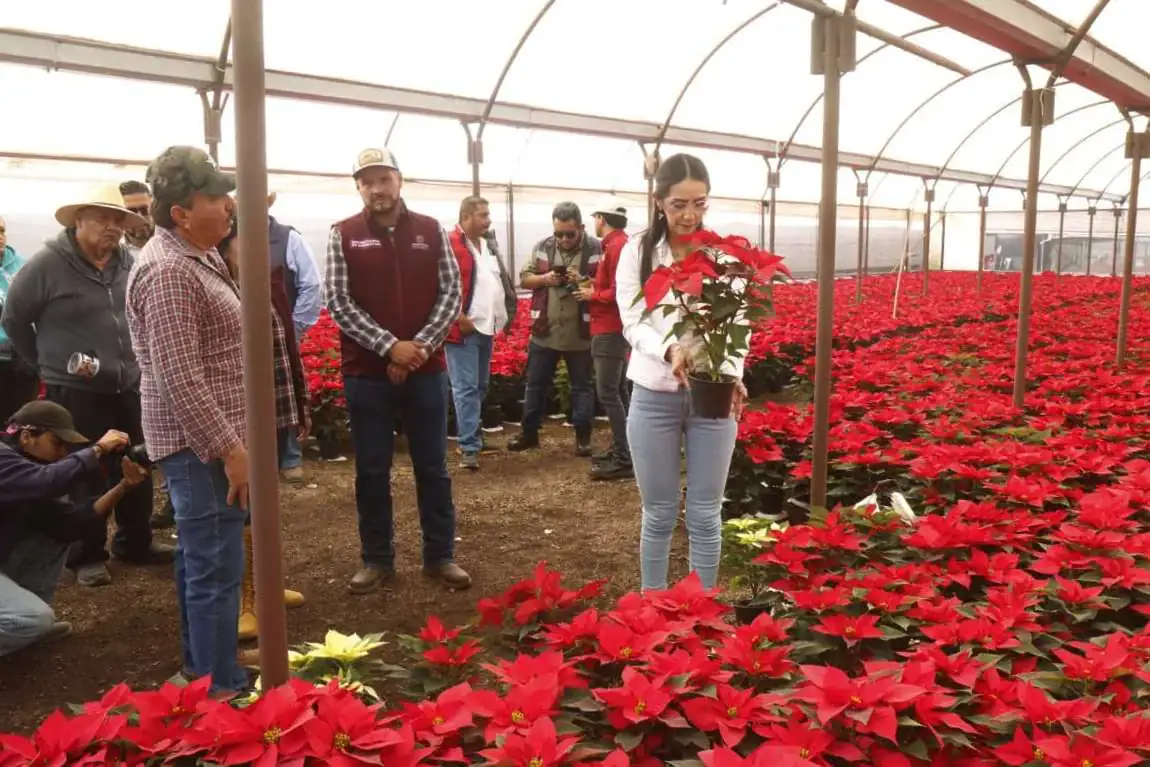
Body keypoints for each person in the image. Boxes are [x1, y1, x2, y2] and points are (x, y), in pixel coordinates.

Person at [1, 185, 173, 588]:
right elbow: (14, 320)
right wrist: (45, 365)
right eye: (102, 219)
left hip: (128, 382)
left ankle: (135, 540)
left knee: (136, 460)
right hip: (74, 389)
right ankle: (86, 554)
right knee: (83, 468)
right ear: (78, 221)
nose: (113, 228)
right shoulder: (47, 264)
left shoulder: (127, 262)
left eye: (118, 220)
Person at [126, 146, 250, 693]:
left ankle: (204, 672)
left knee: (203, 560)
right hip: (199, 449)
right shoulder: (171, 271)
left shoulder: (196, 256)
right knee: (215, 566)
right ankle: (220, 690)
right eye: (216, 197)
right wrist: (231, 447)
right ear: (180, 211)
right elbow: (181, 376)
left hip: (205, 443)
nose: (228, 205)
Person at [325, 147, 468, 595]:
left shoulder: (430, 231)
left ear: (399, 181)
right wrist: (390, 347)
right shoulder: (342, 234)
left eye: (383, 179)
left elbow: (451, 291)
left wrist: (419, 348)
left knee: (433, 467)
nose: (377, 188)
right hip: (367, 373)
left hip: (426, 370)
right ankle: (377, 559)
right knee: (371, 469)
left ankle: (440, 555)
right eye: (367, 181)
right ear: (359, 188)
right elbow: (338, 301)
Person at [615, 153, 748, 591]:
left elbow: (739, 322)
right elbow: (633, 321)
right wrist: (669, 349)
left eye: (700, 203)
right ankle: (653, 610)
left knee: (707, 514)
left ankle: (701, 613)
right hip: (654, 392)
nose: (690, 215)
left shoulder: (723, 254)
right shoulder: (637, 252)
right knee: (659, 513)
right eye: (679, 205)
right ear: (659, 202)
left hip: (712, 394)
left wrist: (731, 373)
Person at [217, 219, 308, 642]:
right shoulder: (214, 283)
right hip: (236, 411)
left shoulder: (261, 280)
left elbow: (285, 339)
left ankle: (264, 588)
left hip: (268, 405)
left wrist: (299, 402)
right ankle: (243, 599)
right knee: (240, 504)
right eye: (242, 240)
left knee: (263, 498)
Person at [0, 400, 143, 656]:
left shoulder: (26, 473)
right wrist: (97, 449)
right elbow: (46, 482)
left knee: (52, 536)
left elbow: (71, 523)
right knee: (36, 619)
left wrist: (123, 487)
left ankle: (23, 624)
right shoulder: (4, 460)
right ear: (26, 436)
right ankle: (26, 622)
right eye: (57, 443)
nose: (63, 453)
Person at [508, 202, 600, 457]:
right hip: (545, 329)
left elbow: (607, 282)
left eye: (570, 234)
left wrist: (580, 280)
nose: (564, 239)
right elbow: (524, 277)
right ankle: (529, 434)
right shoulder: (543, 246)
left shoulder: (596, 249)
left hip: (579, 332)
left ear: (581, 228)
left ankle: (583, 438)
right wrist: (545, 279)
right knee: (535, 385)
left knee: (582, 386)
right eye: (559, 233)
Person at [444, 195, 517, 470]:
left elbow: (500, 280)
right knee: (465, 388)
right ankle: (469, 447)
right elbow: (439, 284)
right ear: (466, 217)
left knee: (480, 386)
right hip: (464, 328)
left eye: (488, 214)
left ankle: (474, 437)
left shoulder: (488, 245)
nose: (488, 220)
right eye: (482, 215)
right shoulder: (451, 244)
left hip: (487, 326)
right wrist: (457, 316)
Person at [575, 199, 632, 480]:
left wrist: (592, 295)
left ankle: (624, 458)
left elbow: (622, 291)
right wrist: (593, 284)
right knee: (618, 391)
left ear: (601, 218)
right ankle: (625, 449)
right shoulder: (618, 244)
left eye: (595, 217)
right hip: (613, 328)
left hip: (609, 329)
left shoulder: (616, 246)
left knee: (609, 392)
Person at [266, 192, 322, 482]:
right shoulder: (224, 237)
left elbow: (311, 284)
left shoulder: (287, 238)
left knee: (286, 388)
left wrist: (294, 329)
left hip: (282, 330)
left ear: (269, 199)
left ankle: (290, 456)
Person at [0, 216, 37, 423]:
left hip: (20, 358)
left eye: (2, 231)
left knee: (18, 422)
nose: (0, 237)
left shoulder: (24, 267)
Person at [119, 181, 155, 256]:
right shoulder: (113, 253)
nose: (140, 217)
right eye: (132, 211)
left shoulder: (173, 244)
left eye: (144, 210)